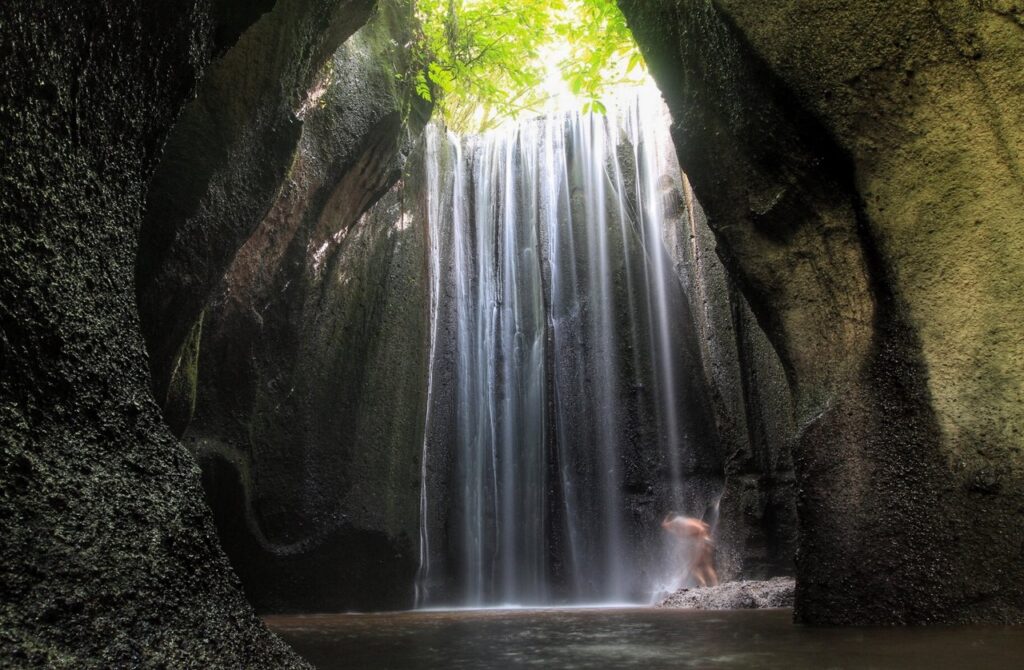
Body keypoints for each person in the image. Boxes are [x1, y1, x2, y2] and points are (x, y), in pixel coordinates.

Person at [661, 512, 719, 587]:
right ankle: (704, 584)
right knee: (694, 566)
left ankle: (714, 585)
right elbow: (664, 525)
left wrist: (700, 546)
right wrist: (668, 516)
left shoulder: (683, 524)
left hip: (703, 541)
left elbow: (701, 529)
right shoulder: (679, 523)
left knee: (704, 565)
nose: (672, 529)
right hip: (699, 542)